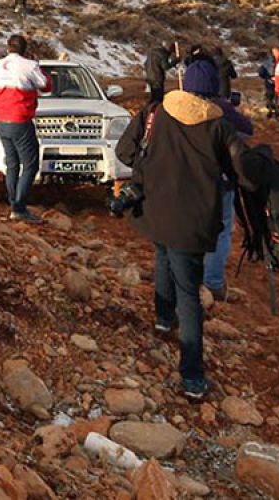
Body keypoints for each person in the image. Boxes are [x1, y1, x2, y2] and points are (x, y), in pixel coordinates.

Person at [114, 77, 251, 402]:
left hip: (156, 209)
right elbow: (243, 173)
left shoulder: (155, 112)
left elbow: (124, 151)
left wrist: (154, 167)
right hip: (194, 219)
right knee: (189, 292)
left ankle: (163, 319)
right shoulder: (218, 125)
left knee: (163, 255)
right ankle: (192, 377)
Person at [178, 57, 254, 302]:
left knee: (187, 229)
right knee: (220, 231)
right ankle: (212, 282)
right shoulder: (222, 109)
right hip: (219, 181)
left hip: (186, 181)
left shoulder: (174, 109)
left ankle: (185, 279)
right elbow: (247, 131)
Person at [0, 34, 50, 224]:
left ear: (8, 48)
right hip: (20, 119)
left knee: (12, 163)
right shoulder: (29, 65)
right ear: (24, 49)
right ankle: (19, 207)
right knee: (30, 164)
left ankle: (13, 202)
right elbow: (46, 85)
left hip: (1, 120)